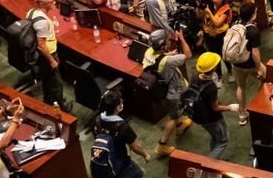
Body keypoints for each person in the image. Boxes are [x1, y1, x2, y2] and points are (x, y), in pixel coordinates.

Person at [147, 29, 194, 158]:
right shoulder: (169, 61)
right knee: (172, 117)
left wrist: (168, 54)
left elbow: (159, 59)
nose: (169, 42)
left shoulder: (148, 52)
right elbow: (188, 55)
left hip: (160, 92)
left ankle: (180, 124)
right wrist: (182, 38)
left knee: (175, 112)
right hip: (172, 93)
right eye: (167, 41)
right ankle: (161, 144)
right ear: (162, 45)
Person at [186, 53, 239, 160]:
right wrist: (231, 107)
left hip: (198, 116)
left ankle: (212, 157)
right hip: (212, 119)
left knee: (215, 137)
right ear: (214, 68)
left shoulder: (195, 76)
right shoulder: (211, 87)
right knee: (222, 141)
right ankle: (209, 165)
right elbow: (215, 108)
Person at [93, 89, 151, 176]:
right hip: (121, 164)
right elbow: (135, 147)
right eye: (120, 101)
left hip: (105, 160)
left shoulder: (97, 120)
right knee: (139, 174)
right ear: (117, 107)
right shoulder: (122, 127)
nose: (122, 101)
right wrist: (145, 155)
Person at [28, 0, 71, 110]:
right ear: (42, 4)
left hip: (42, 55)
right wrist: (52, 60)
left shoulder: (32, 11)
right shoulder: (42, 22)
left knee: (47, 78)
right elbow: (41, 45)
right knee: (57, 82)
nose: (55, 3)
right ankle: (62, 105)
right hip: (48, 55)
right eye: (51, 2)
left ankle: (48, 100)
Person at [230, 3, 265, 126]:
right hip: (249, 64)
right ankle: (260, 107)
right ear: (253, 15)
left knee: (241, 87)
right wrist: (259, 67)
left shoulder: (234, 24)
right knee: (266, 78)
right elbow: (255, 53)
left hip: (236, 63)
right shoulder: (254, 31)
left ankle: (241, 115)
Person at [201, 0, 233, 76]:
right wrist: (199, 7)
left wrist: (208, 12)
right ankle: (219, 75)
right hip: (208, 34)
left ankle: (230, 71)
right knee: (214, 55)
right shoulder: (208, 4)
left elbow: (217, 23)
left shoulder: (225, 8)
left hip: (221, 35)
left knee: (223, 54)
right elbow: (199, 17)